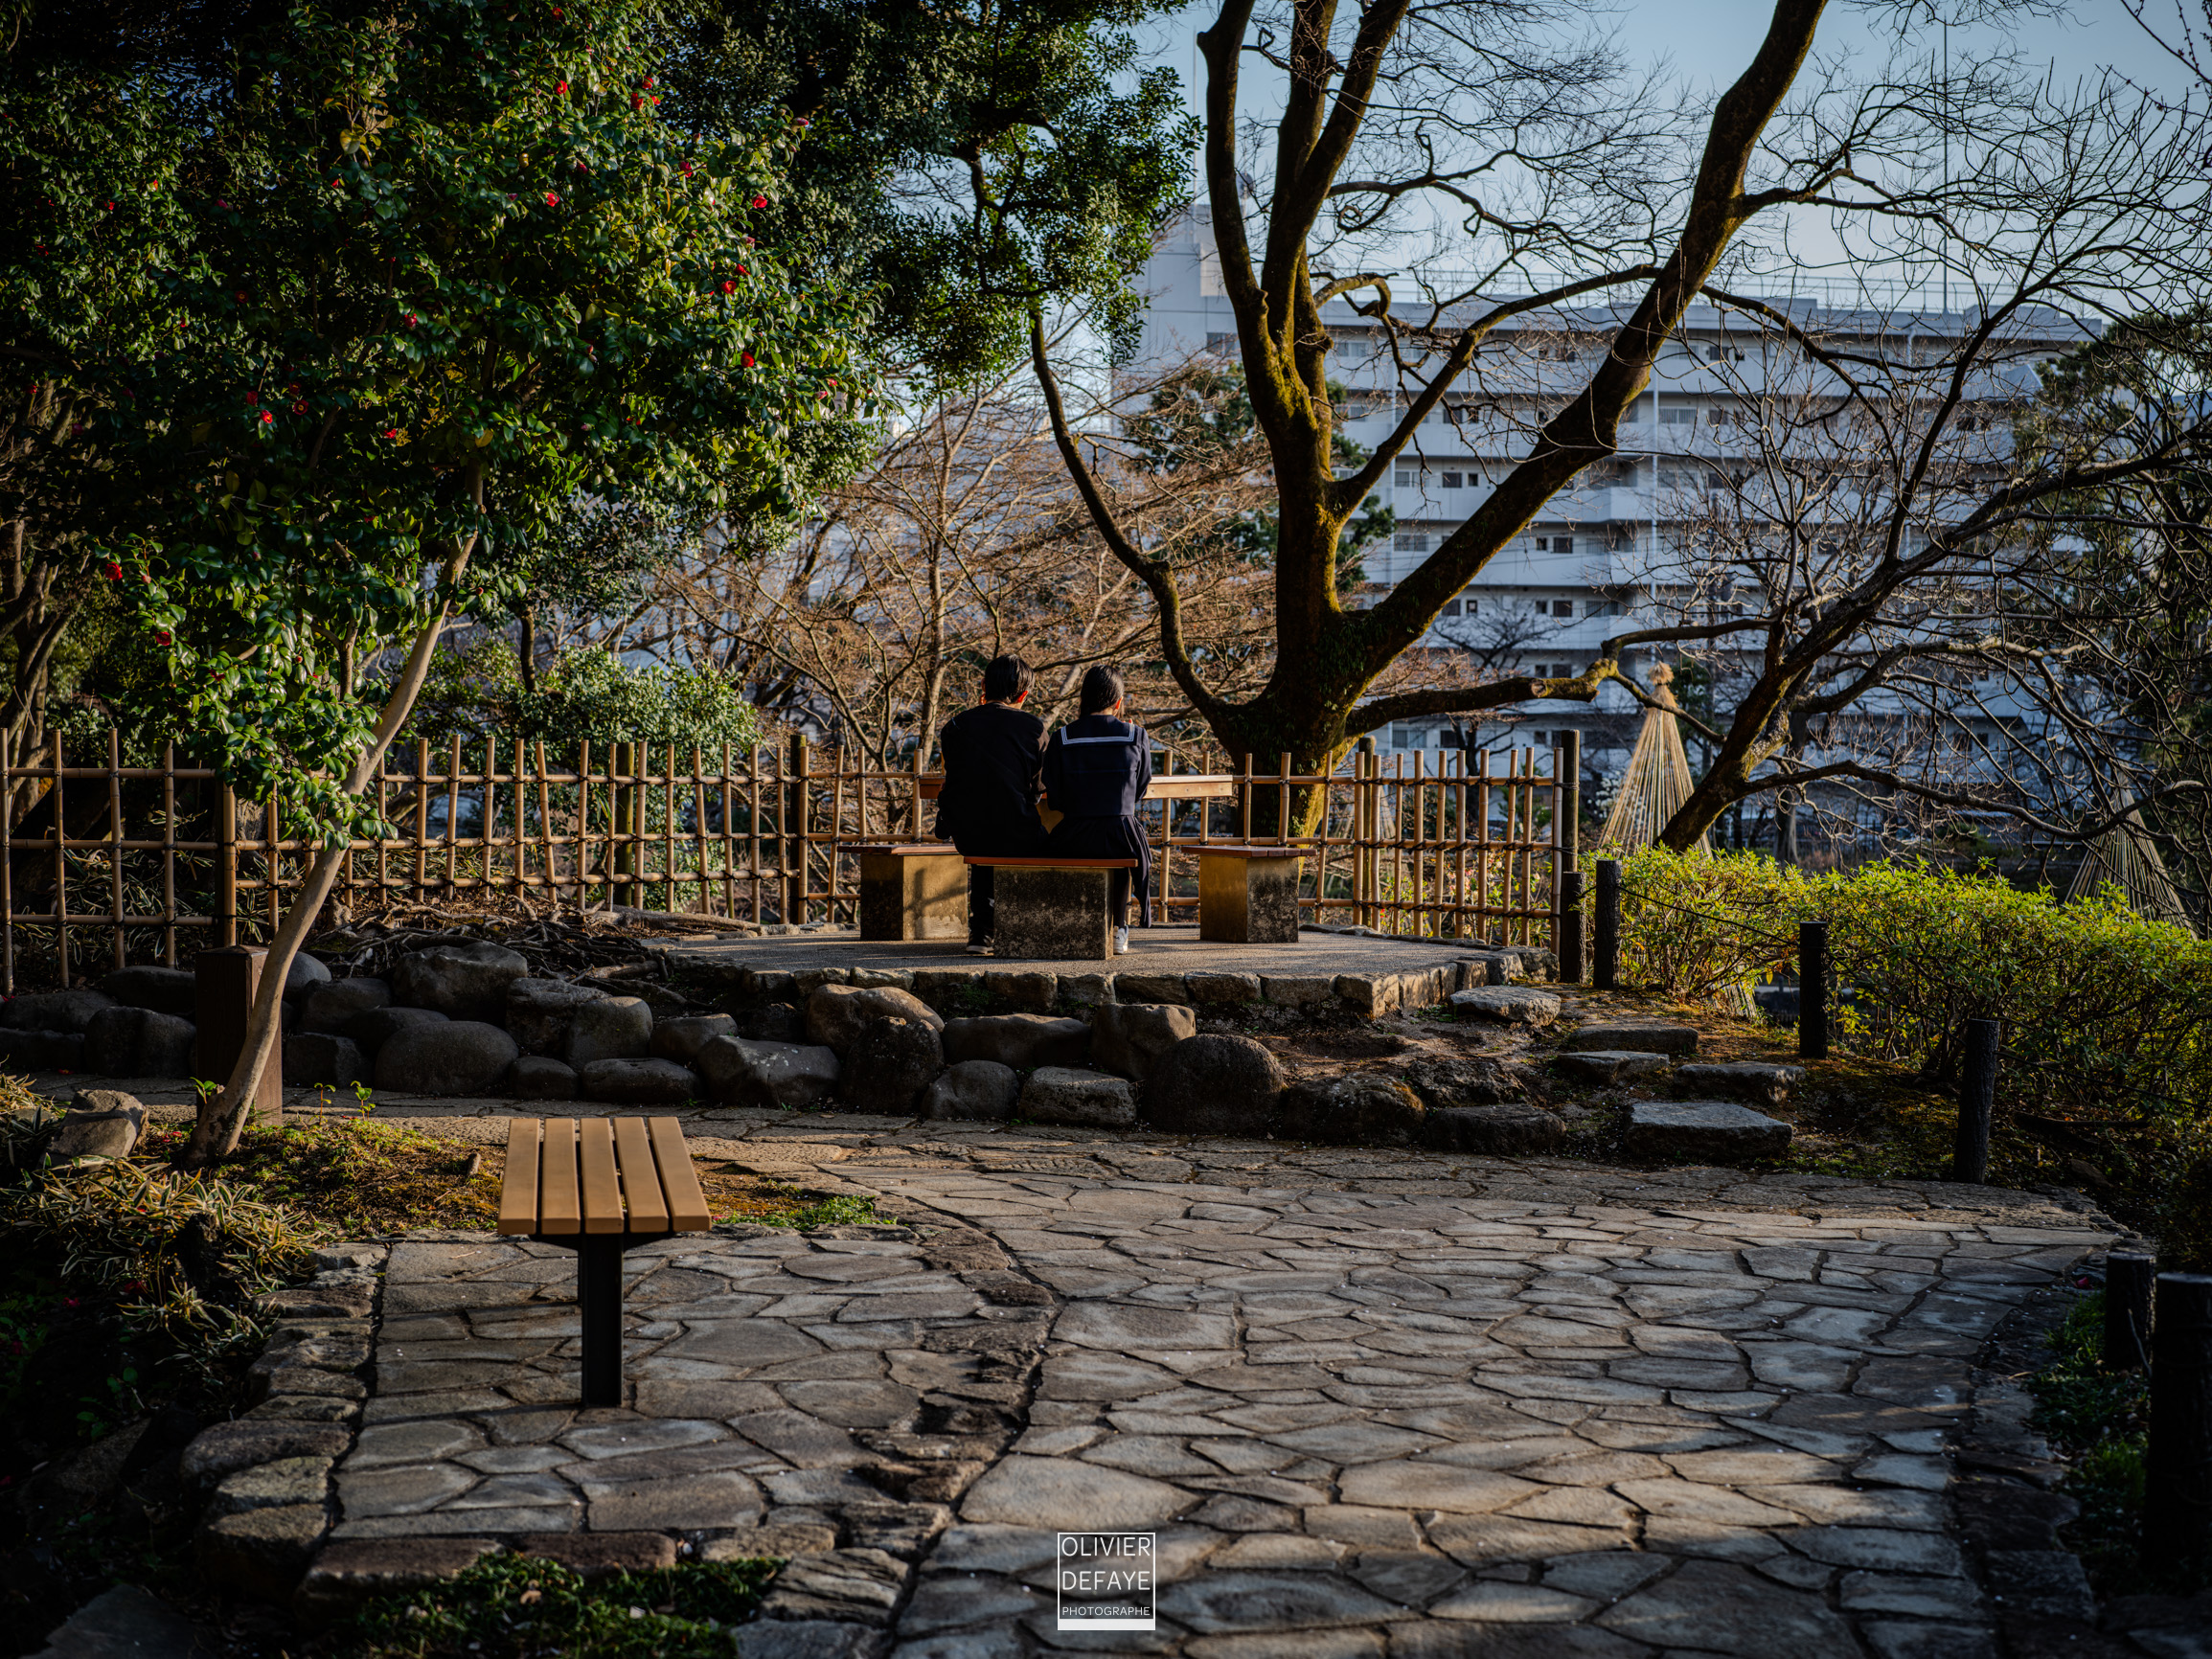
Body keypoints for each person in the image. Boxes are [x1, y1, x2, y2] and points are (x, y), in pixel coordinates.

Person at [934, 654, 1046, 953]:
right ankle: (1023, 930)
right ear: (1023, 694)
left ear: (983, 685)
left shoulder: (955, 726)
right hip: (1014, 830)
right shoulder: (1033, 729)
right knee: (1032, 836)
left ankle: (981, 934)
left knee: (988, 837)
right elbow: (1039, 787)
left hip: (966, 833)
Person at [1040, 665, 1152, 954]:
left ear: (1084, 698)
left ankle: (1076, 922)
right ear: (1118, 702)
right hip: (1120, 833)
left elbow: (1056, 797)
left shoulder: (1062, 737)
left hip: (1074, 832)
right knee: (1127, 844)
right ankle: (1120, 928)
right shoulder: (1136, 736)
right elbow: (1140, 789)